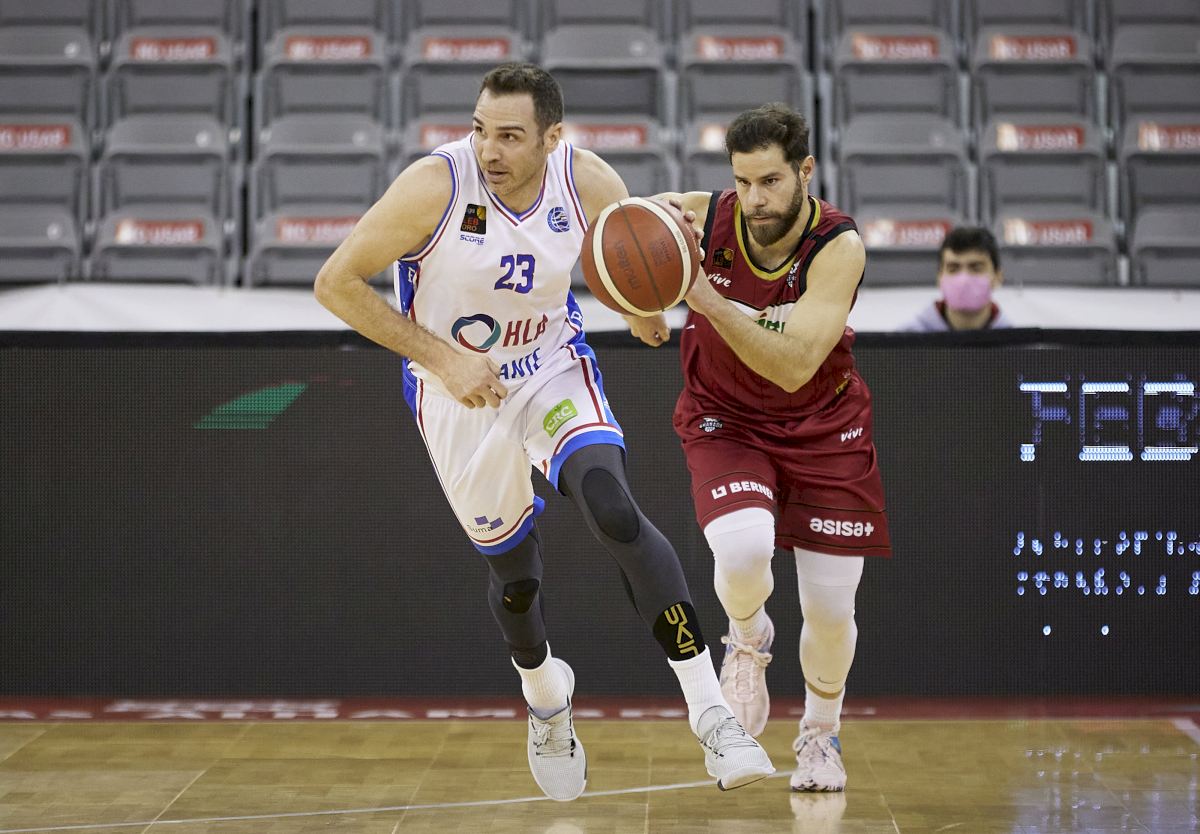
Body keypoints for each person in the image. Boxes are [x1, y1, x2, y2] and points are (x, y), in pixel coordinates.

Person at [313, 63, 773, 801]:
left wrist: (646, 305)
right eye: (480, 130)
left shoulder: (586, 180)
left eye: (509, 136)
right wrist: (443, 359)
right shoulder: (435, 187)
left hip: (550, 368)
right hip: (456, 393)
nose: (489, 149)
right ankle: (545, 697)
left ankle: (713, 716)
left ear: (552, 138)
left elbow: (633, 273)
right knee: (516, 577)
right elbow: (334, 282)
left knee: (615, 511)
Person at [627, 102, 892, 792]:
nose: (754, 199)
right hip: (726, 419)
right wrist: (639, 302)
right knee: (743, 551)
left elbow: (796, 364)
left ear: (805, 172)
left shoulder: (838, 248)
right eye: (741, 182)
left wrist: (706, 301)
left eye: (770, 181)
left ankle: (820, 735)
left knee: (831, 610)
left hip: (824, 426)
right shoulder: (703, 217)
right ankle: (747, 638)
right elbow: (617, 235)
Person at [900, 226, 1014, 332]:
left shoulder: (1016, 343)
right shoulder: (904, 342)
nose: (964, 279)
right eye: (953, 269)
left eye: (976, 268)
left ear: (998, 277)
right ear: (939, 278)